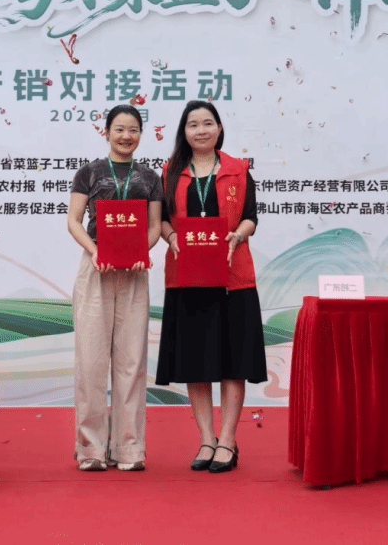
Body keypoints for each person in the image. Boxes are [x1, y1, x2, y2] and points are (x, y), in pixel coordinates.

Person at [155, 100, 267, 473]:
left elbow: (251, 217)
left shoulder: (238, 170)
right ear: (183, 131)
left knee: (234, 362)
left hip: (233, 278)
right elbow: (163, 219)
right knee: (196, 362)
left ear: (219, 128)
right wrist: (171, 237)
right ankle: (206, 438)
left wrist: (238, 234)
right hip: (188, 278)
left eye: (208, 123)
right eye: (193, 124)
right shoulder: (170, 172)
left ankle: (229, 440)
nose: (201, 130)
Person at [67, 104, 162, 472]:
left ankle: (128, 448)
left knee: (131, 362)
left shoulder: (150, 177)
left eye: (133, 130)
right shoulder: (89, 173)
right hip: (96, 270)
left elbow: (154, 226)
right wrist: (95, 251)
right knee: (91, 361)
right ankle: (90, 448)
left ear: (140, 134)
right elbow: (74, 221)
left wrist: (142, 252)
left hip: (134, 273)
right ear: (106, 132)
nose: (126, 136)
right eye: (119, 129)